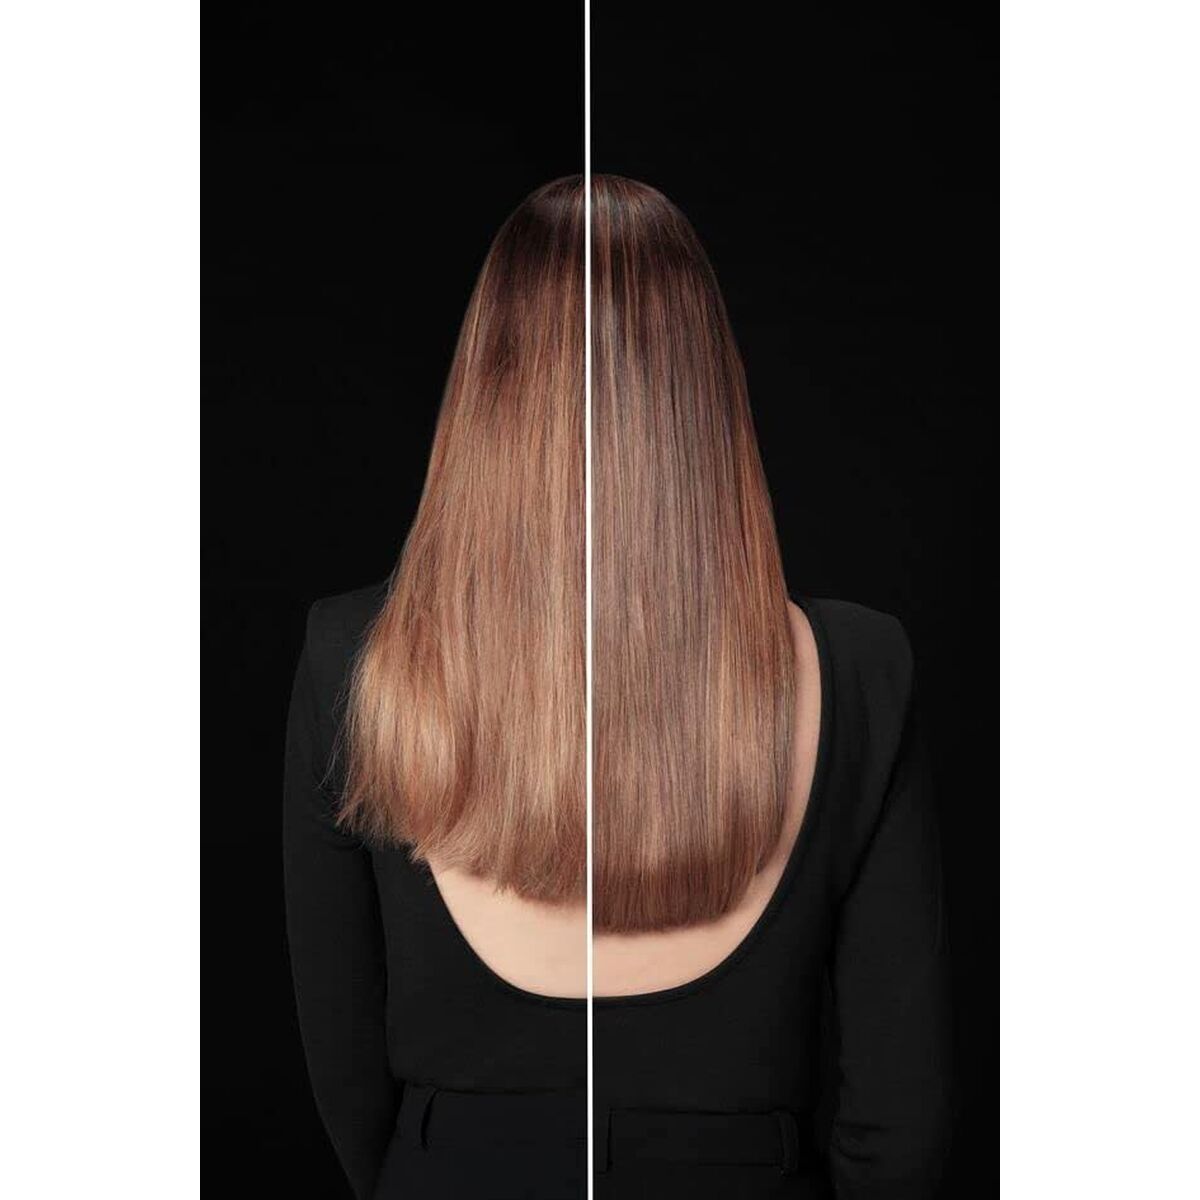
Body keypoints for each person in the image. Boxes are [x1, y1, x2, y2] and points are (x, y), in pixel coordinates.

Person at [283, 174, 953, 1200]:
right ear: (705, 384)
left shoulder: (353, 655)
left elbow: (343, 1065)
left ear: (488, 382)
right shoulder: (859, 670)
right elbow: (902, 1119)